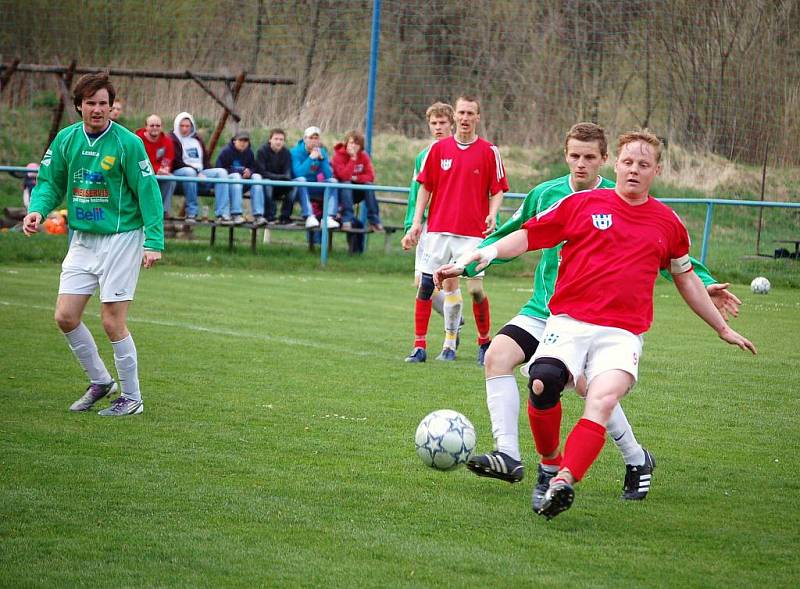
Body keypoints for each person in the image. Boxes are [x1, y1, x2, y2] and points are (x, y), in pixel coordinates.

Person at [437, 130, 756, 519]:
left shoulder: (668, 222)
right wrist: (476, 258)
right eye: (629, 162)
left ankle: (562, 482)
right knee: (542, 380)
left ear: (655, 170)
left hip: (622, 333)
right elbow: (521, 236)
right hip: (566, 319)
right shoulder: (577, 203)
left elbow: (685, 274)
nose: (634, 170)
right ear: (617, 164)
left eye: (643, 164)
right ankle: (542, 461)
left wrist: (720, 325)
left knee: (599, 399)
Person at [22, 72, 164, 417]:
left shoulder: (128, 143)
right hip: (83, 239)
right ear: (79, 106)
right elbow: (49, 183)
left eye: (104, 103)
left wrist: (153, 241)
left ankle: (132, 398)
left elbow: (149, 192)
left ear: (112, 107)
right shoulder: (66, 140)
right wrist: (37, 210)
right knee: (65, 316)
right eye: (91, 103)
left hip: (121, 238)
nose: (98, 109)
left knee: (112, 321)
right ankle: (101, 382)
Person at [402, 95, 507, 365]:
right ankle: (420, 346)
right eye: (461, 112)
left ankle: (484, 343)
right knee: (426, 285)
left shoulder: (489, 151)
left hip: (472, 233)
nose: (465, 118)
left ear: (478, 117)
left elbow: (497, 190)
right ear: (456, 115)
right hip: (437, 230)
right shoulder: (438, 150)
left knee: (474, 290)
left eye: (470, 113)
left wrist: (493, 215)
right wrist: (416, 224)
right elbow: (425, 187)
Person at [166, 111, 229, 223]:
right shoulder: (172, 139)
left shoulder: (197, 140)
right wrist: (196, 172)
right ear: (176, 125)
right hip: (180, 175)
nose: (185, 129)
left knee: (221, 173)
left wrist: (205, 171)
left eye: (187, 126)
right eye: (182, 126)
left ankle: (222, 214)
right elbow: (176, 162)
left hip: (200, 173)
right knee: (189, 172)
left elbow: (204, 161)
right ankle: (191, 212)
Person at [332, 130, 383, 231]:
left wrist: (356, 178)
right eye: (351, 143)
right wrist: (353, 159)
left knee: (368, 185)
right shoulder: (338, 156)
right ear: (346, 143)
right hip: (341, 193)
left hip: (357, 191)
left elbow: (370, 176)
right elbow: (344, 176)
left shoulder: (364, 156)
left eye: (357, 144)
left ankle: (374, 220)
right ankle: (347, 218)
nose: (354, 146)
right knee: (346, 184)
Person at [291, 126, 339, 229]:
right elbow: (298, 173)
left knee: (333, 181)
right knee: (301, 180)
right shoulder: (295, 152)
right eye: (311, 138)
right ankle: (309, 216)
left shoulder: (322, 152)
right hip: (297, 188)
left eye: (316, 138)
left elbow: (328, 175)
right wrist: (310, 158)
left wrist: (322, 161)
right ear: (304, 139)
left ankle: (329, 217)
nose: (313, 141)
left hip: (315, 186)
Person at [214, 130, 265, 225]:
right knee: (236, 176)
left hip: (244, 183)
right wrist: (239, 171)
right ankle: (236, 214)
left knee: (257, 177)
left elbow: (254, 167)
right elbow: (219, 169)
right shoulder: (226, 151)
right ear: (234, 141)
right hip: (229, 184)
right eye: (240, 140)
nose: (243, 143)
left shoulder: (249, 153)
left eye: (245, 141)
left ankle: (258, 215)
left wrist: (250, 172)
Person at [135, 114, 175, 215]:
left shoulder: (167, 141)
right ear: (146, 127)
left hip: (159, 173)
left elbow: (168, 158)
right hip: (141, 172)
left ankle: (163, 212)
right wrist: (156, 170)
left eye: (158, 126)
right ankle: (141, 210)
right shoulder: (137, 140)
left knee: (171, 179)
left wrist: (165, 170)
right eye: (152, 125)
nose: (155, 128)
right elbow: (138, 160)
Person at [255, 128, 297, 224]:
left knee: (295, 185)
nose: (278, 142)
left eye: (281, 139)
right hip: (266, 185)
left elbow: (287, 172)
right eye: (276, 139)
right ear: (270, 140)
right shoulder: (262, 151)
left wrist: (284, 178)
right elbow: (262, 172)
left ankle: (285, 217)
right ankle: (269, 216)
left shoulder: (286, 153)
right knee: (267, 183)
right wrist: (280, 177)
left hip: (280, 184)